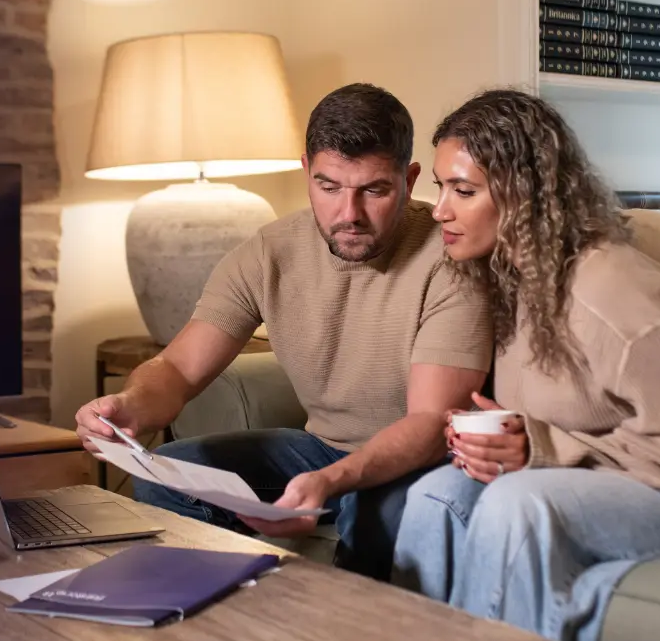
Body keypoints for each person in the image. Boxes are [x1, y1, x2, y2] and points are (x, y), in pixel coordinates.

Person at [390, 88, 660, 641]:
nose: (440, 209)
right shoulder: (513, 282)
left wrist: (541, 447)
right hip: (615, 483)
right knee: (436, 497)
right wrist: (506, 441)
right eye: (442, 186)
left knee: (519, 505)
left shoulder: (615, 292)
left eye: (463, 191)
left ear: (524, 195)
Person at [74, 83, 493, 581]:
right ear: (306, 171)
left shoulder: (452, 256)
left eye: (374, 190)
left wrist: (332, 482)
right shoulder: (269, 252)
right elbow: (178, 368)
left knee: (370, 508)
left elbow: (430, 424)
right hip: (321, 449)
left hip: (420, 462)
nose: (349, 214)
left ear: (409, 179)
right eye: (328, 187)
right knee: (166, 475)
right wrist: (129, 406)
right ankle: (221, 608)